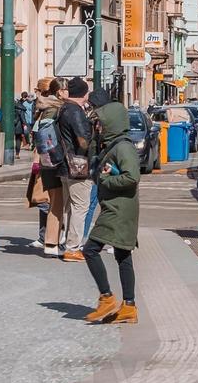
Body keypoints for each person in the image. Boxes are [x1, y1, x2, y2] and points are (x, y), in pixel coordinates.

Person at [81, 90, 140, 324]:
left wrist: (106, 180)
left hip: (118, 210)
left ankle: (107, 297)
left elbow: (132, 177)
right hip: (118, 207)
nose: (98, 128)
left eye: (101, 124)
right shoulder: (114, 145)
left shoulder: (122, 147)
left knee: (90, 250)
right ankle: (129, 306)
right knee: (123, 255)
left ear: (111, 123)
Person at [57, 77, 93, 262]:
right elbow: (83, 140)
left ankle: (66, 243)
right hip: (77, 164)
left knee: (70, 207)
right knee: (80, 206)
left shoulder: (62, 108)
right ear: (83, 93)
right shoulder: (75, 111)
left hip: (64, 164)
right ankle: (72, 248)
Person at [33, 78, 66, 254]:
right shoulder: (56, 110)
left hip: (46, 161)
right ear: (59, 92)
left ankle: (50, 241)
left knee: (54, 202)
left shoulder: (44, 109)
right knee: (58, 202)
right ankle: (53, 242)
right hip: (57, 160)